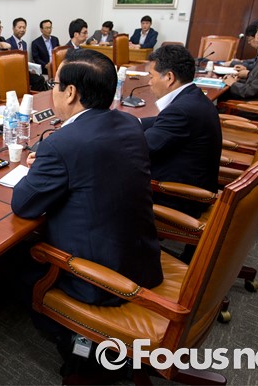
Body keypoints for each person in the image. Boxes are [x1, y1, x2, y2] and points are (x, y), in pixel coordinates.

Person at [11, 49, 163, 307]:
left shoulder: (62, 144)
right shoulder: (130, 123)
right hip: (142, 262)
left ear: (70, 92)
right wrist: (52, 165)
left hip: (98, 281)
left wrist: (43, 167)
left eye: (54, 84)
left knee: (11, 269)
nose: (53, 91)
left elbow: (23, 204)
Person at [141, 45, 222, 220]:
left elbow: (142, 148)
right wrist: (133, 122)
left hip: (181, 198)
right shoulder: (193, 97)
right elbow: (162, 123)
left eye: (151, 76)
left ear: (169, 77)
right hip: (194, 182)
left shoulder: (181, 111)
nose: (149, 82)